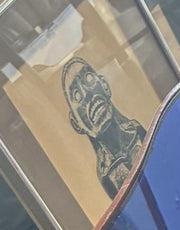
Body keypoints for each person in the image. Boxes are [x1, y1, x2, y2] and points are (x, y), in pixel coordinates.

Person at [61, 57, 147, 199]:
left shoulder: (137, 131)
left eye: (88, 79)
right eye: (77, 95)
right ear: (76, 123)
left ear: (105, 85)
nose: (88, 94)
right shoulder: (106, 175)